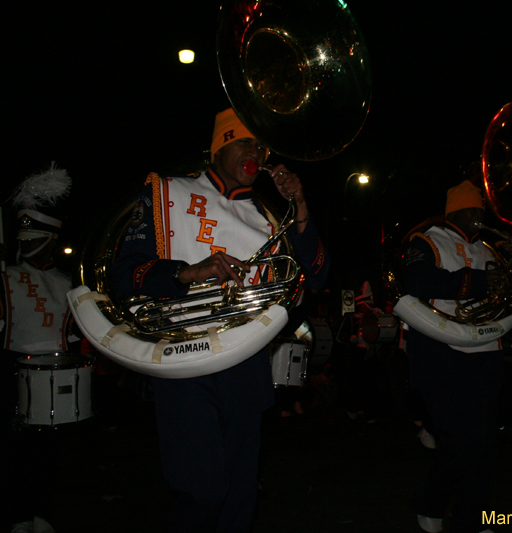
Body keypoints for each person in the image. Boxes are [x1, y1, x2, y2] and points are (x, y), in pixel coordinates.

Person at [111, 108, 329, 532]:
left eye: (262, 147)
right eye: (246, 142)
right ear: (221, 144)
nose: (257, 154)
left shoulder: (269, 217)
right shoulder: (166, 191)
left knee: (239, 497)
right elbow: (124, 274)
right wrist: (186, 272)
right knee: (204, 489)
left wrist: (298, 205)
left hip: (245, 363)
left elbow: (316, 274)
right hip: (182, 355)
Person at [403, 180, 507, 533]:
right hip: (440, 352)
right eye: (474, 209)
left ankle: (473, 516)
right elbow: (420, 282)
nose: (481, 215)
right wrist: (482, 283)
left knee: (482, 440)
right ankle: (431, 499)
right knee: (459, 439)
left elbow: (503, 294)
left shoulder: (490, 249)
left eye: (482, 209)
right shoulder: (427, 240)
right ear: (457, 212)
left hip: (485, 350)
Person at [4, 163, 77, 532]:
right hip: (11, 371)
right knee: (17, 455)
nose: (26, 242)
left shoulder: (67, 283)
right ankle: (20, 516)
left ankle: (39, 513)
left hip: (56, 375)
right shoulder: (6, 276)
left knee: (46, 455)